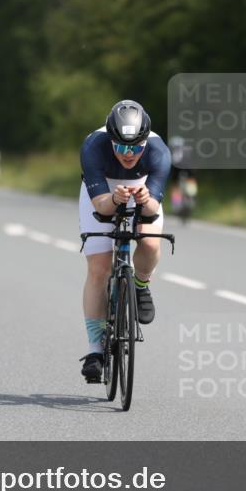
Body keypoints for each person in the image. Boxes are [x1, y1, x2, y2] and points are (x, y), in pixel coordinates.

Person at [78, 100, 170, 381]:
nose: (128, 154)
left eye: (135, 147)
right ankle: (95, 350)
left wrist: (145, 201)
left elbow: (153, 209)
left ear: (145, 141)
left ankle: (141, 284)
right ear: (111, 139)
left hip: (141, 186)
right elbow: (101, 206)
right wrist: (114, 198)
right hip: (103, 191)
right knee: (99, 267)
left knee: (151, 243)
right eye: (121, 147)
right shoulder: (94, 147)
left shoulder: (158, 152)